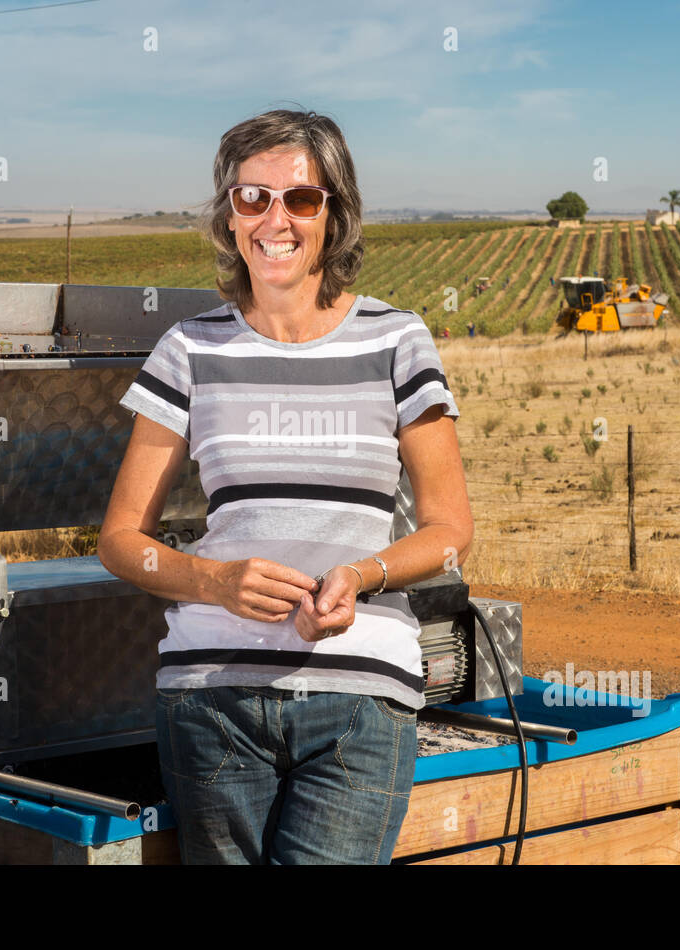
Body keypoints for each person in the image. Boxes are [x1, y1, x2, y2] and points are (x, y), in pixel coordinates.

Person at [98, 108, 472, 865]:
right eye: (252, 198)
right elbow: (119, 539)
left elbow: (449, 529)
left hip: (361, 704)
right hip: (212, 699)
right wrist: (215, 579)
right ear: (229, 218)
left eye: (301, 199)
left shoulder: (398, 340)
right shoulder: (188, 348)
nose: (277, 218)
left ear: (334, 216)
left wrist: (362, 575)